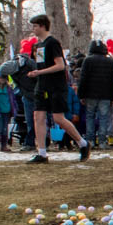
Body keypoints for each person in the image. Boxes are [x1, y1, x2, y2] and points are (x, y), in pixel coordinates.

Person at [25, 14, 90, 163]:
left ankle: (83, 143)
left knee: (58, 118)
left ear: (42, 26)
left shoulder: (52, 43)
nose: (33, 29)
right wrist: (36, 73)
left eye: (35, 26)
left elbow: (60, 65)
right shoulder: (39, 45)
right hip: (42, 86)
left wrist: (39, 72)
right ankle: (42, 153)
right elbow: (42, 64)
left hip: (56, 86)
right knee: (38, 117)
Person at [0, 39, 39, 150]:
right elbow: (19, 85)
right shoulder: (14, 72)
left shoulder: (30, 64)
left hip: (37, 95)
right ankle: (30, 143)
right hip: (26, 96)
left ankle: (40, 142)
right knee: (30, 120)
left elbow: (39, 79)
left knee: (38, 120)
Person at [77, 40, 113, 147]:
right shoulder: (110, 62)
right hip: (105, 95)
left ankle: (90, 140)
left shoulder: (88, 60)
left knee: (90, 116)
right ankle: (102, 141)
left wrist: (81, 95)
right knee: (104, 117)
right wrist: (112, 96)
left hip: (90, 94)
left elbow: (83, 79)